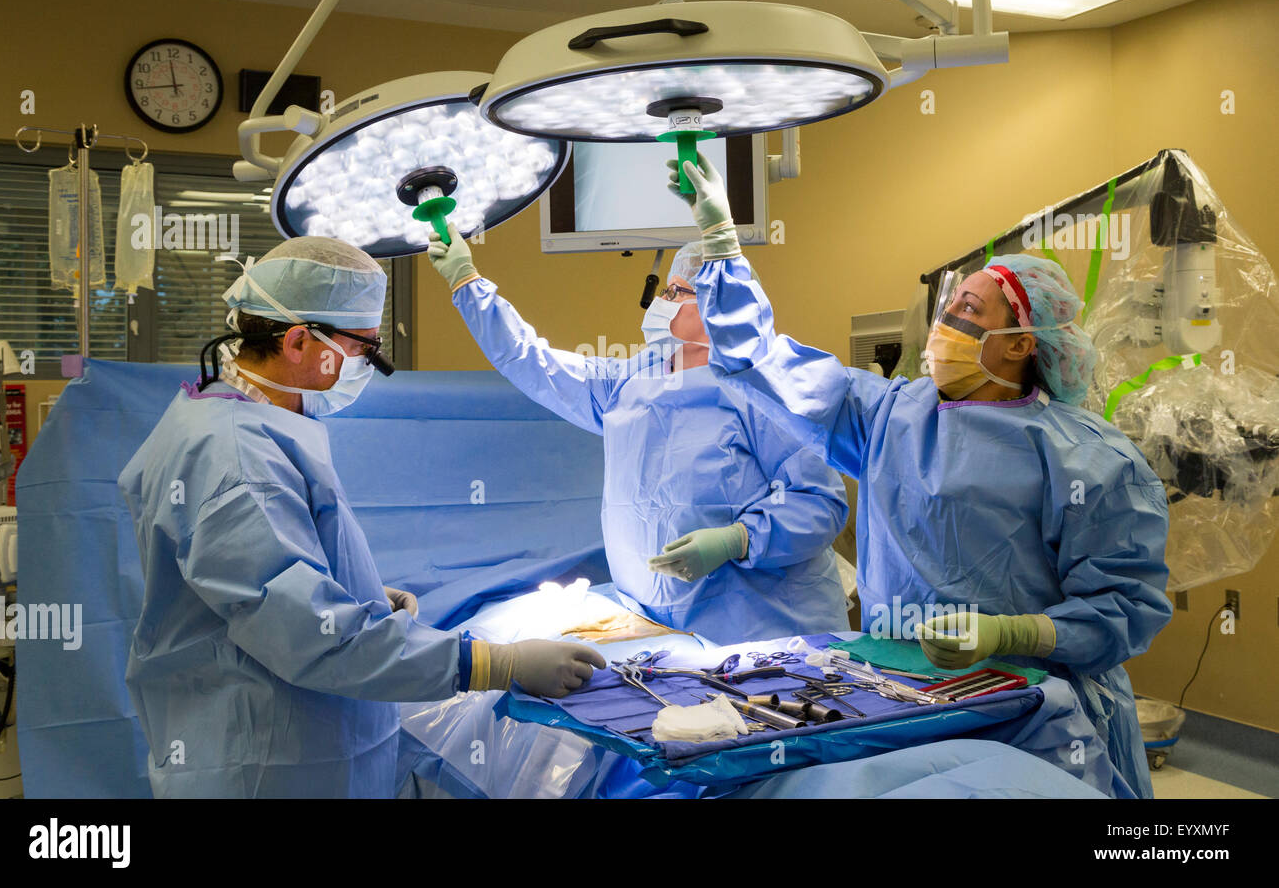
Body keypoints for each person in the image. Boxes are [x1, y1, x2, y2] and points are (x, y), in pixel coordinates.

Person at [671, 155, 1173, 798]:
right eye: (949, 309)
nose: (944, 328)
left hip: (1033, 712)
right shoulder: (890, 415)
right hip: (902, 697)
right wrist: (721, 243)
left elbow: (1126, 608)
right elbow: (763, 361)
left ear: (1022, 344)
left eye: (969, 314)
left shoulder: (1088, 460)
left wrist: (1011, 633)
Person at [118, 237, 603, 798]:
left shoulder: (237, 419)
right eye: (364, 350)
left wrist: (359, 590)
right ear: (300, 340)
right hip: (267, 767)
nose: (369, 366)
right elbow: (308, 634)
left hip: (300, 746)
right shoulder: (236, 455)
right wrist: (494, 664)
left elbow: (264, 580)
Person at [426, 229, 852, 643]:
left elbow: (819, 501)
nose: (662, 304)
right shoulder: (633, 379)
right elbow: (532, 361)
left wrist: (737, 540)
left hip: (770, 634)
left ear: (716, 305)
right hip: (662, 629)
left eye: (676, 293)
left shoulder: (763, 387)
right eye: (664, 292)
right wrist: (468, 282)